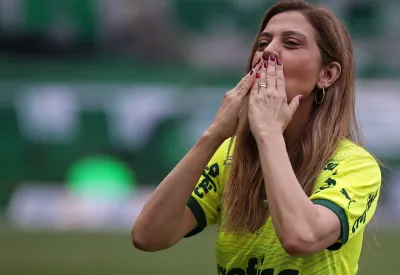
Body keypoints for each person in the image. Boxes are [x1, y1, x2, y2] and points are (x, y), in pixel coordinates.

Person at [132, 1, 382, 274]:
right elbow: (148, 236)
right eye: (263, 44)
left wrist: (269, 132)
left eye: (291, 43)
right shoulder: (230, 155)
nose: (269, 52)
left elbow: (301, 237)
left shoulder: (355, 165)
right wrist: (213, 134)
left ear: (327, 74)